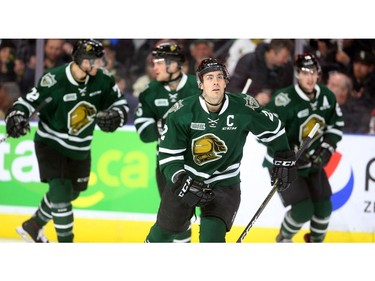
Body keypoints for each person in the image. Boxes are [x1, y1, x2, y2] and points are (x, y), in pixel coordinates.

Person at [145, 58, 297, 243]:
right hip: (188, 178)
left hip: (224, 183)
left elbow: (274, 129)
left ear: (226, 81)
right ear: (200, 84)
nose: (215, 82)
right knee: (162, 235)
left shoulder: (243, 107)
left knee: (212, 240)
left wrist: (283, 155)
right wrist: (180, 180)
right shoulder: (182, 112)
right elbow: (169, 156)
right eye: (209, 78)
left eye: (219, 77)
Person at [5, 39, 129, 242]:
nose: (99, 65)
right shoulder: (54, 79)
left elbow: (120, 103)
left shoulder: (103, 80)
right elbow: (27, 102)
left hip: (81, 147)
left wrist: (117, 115)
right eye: (94, 61)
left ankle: (34, 225)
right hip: (51, 143)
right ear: (81, 60)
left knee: (71, 193)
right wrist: (16, 116)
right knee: (61, 194)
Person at [262, 52, 344, 243]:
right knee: (303, 210)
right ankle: (283, 239)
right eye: (305, 72)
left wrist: (328, 146)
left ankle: (315, 243)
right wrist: (287, 150)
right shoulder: (284, 100)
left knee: (324, 208)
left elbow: (336, 124)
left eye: (313, 72)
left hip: (312, 160)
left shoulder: (326, 96)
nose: (309, 77)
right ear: (297, 74)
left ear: (318, 74)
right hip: (284, 164)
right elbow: (265, 131)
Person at [134, 42, 201, 243]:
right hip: (168, 165)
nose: (154, 68)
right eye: (154, 63)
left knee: (196, 216)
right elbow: (144, 133)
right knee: (177, 217)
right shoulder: (150, 91)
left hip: (200, 162)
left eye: (159, 63)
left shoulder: (197, 86)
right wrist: (160, 127)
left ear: (173, 64)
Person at [226, 39, 294, 106]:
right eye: (284, 57)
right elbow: (232, 88)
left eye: (288, 57)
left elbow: (288, 91)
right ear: (273, 52)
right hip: (246, 107)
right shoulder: (248, 61)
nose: (286, 61)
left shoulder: (287, 68)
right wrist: (253, 97)